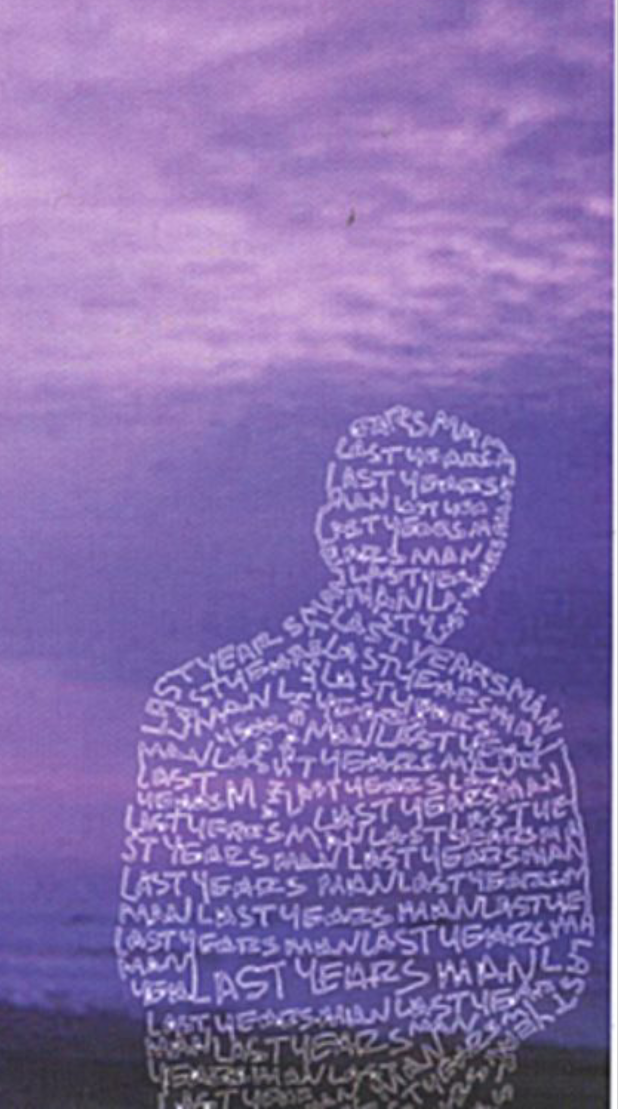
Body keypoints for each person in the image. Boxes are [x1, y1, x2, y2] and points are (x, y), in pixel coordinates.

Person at [115, 406, 593, 1108]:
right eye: (418, 533)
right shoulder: (205, 706)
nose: (445, 566)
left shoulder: (511, 725)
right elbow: (551, 967)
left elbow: (554, 958)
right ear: (337, 533)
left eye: (470, 537)